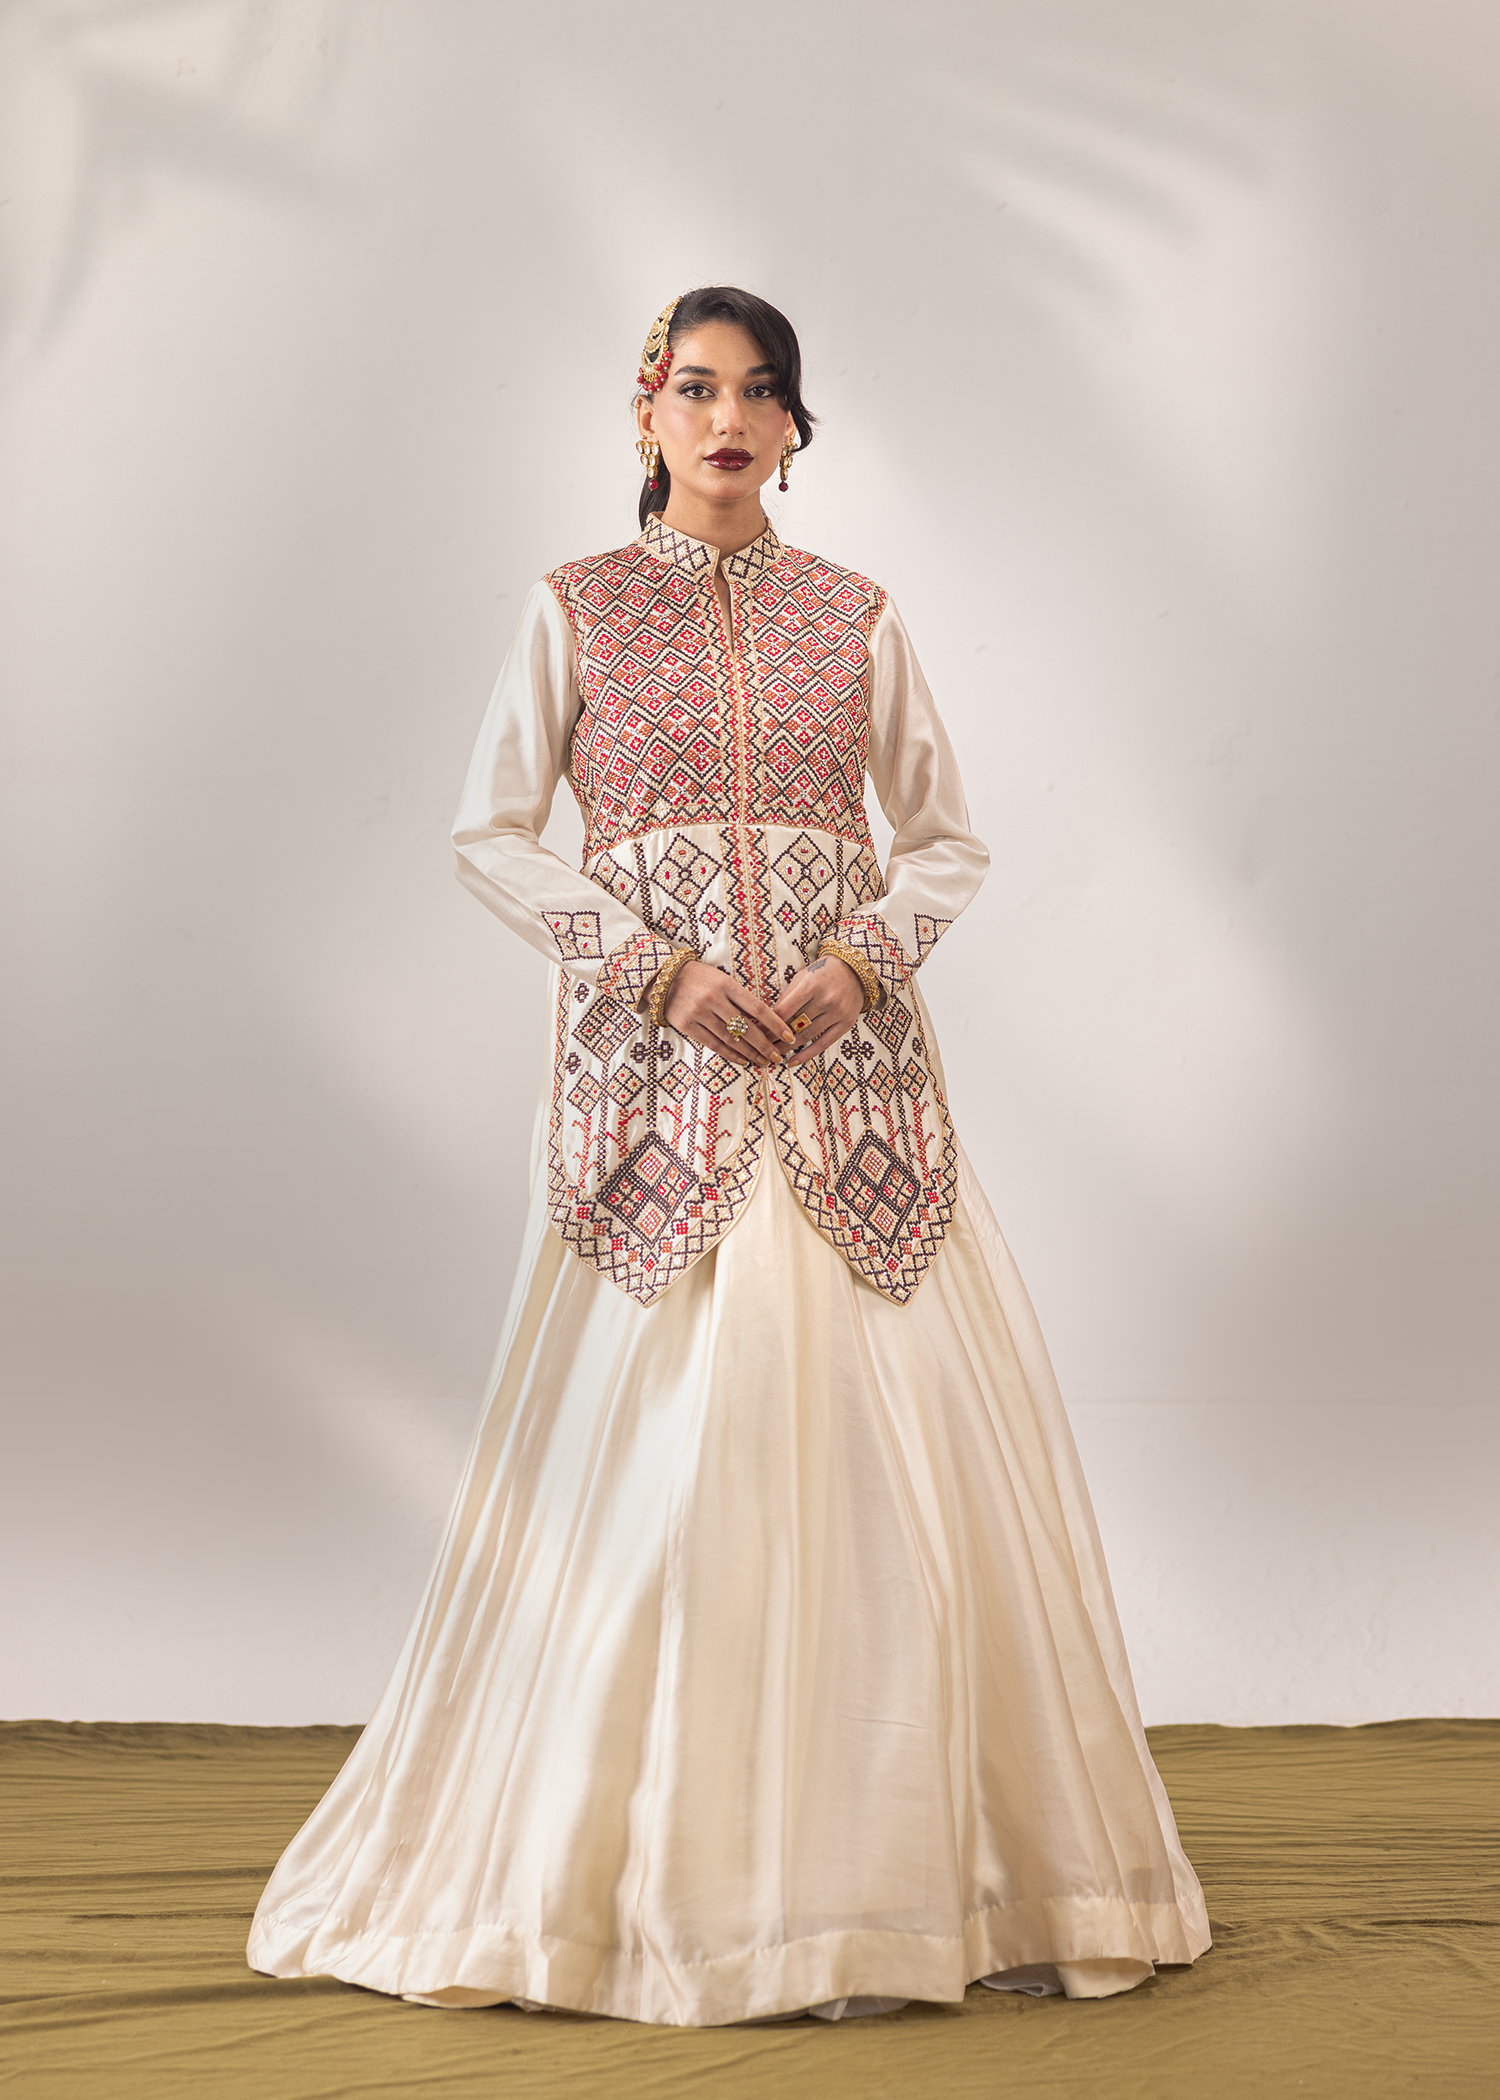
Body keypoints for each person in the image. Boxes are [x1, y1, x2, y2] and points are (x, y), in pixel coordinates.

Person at [247, 286, 1211, 2026]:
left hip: (854, 1100)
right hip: (654, 1094)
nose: (728, 420)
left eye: (760, 393)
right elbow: (490, 832)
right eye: (697, 389)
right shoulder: (576, 609)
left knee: (886, 1465)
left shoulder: (855, 616)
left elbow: (945, 838)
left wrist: (862, 963)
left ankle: (908, 1882)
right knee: (665, 1474)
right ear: (646, 411)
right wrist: (653, 967)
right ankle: (642, 1892)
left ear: (793, 427)